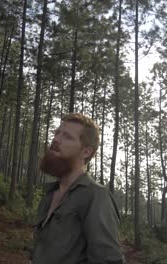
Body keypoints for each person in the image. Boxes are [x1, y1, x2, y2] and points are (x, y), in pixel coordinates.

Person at [31, 113, 124, 264]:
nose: (56, 139)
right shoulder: (50, 193)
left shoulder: (95, 196)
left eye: (67, 136)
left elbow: (108, 260)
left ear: (86, 151)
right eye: (57, 133)